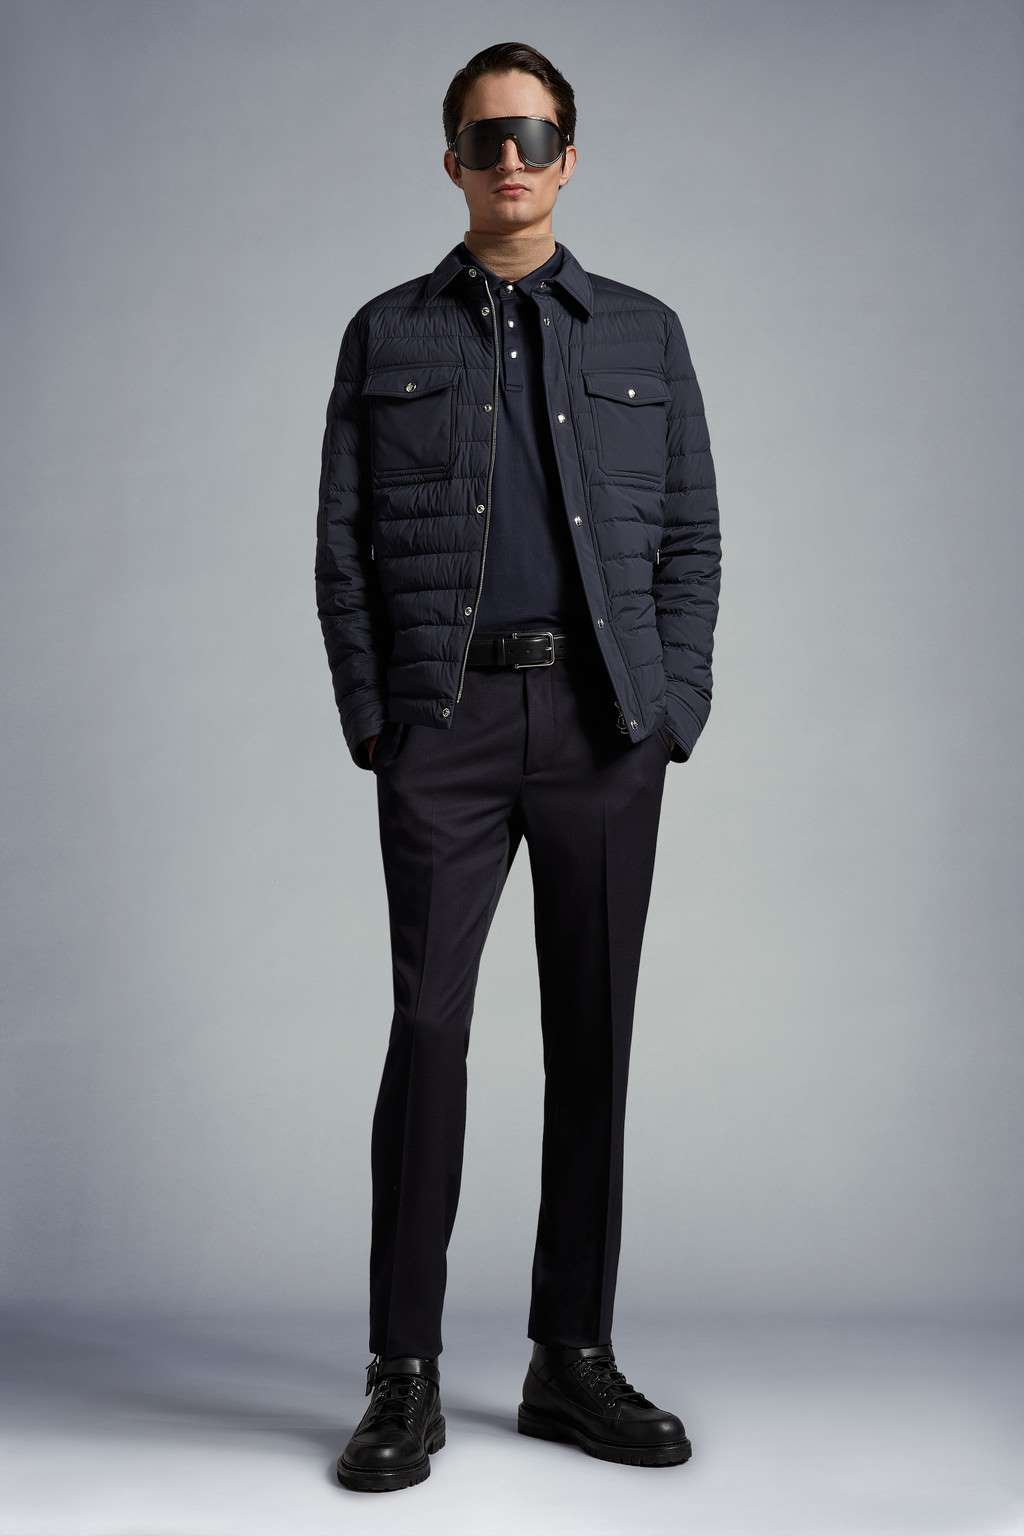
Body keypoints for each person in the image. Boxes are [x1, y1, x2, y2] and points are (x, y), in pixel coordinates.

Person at [315, 40, 722, 1493]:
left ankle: (572, 1359)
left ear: (568, 160)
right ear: (452, 161)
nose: (510, 160)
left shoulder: (643, 333)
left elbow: (692, 535)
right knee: (429, 1031)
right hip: (448, 724)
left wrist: (673, 706)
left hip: (606, 730)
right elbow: (341, 546)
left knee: (593, 1040)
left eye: (534, 137)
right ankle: (403, 1372)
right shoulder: (386, 333)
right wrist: (380, 722)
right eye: (486, 138)